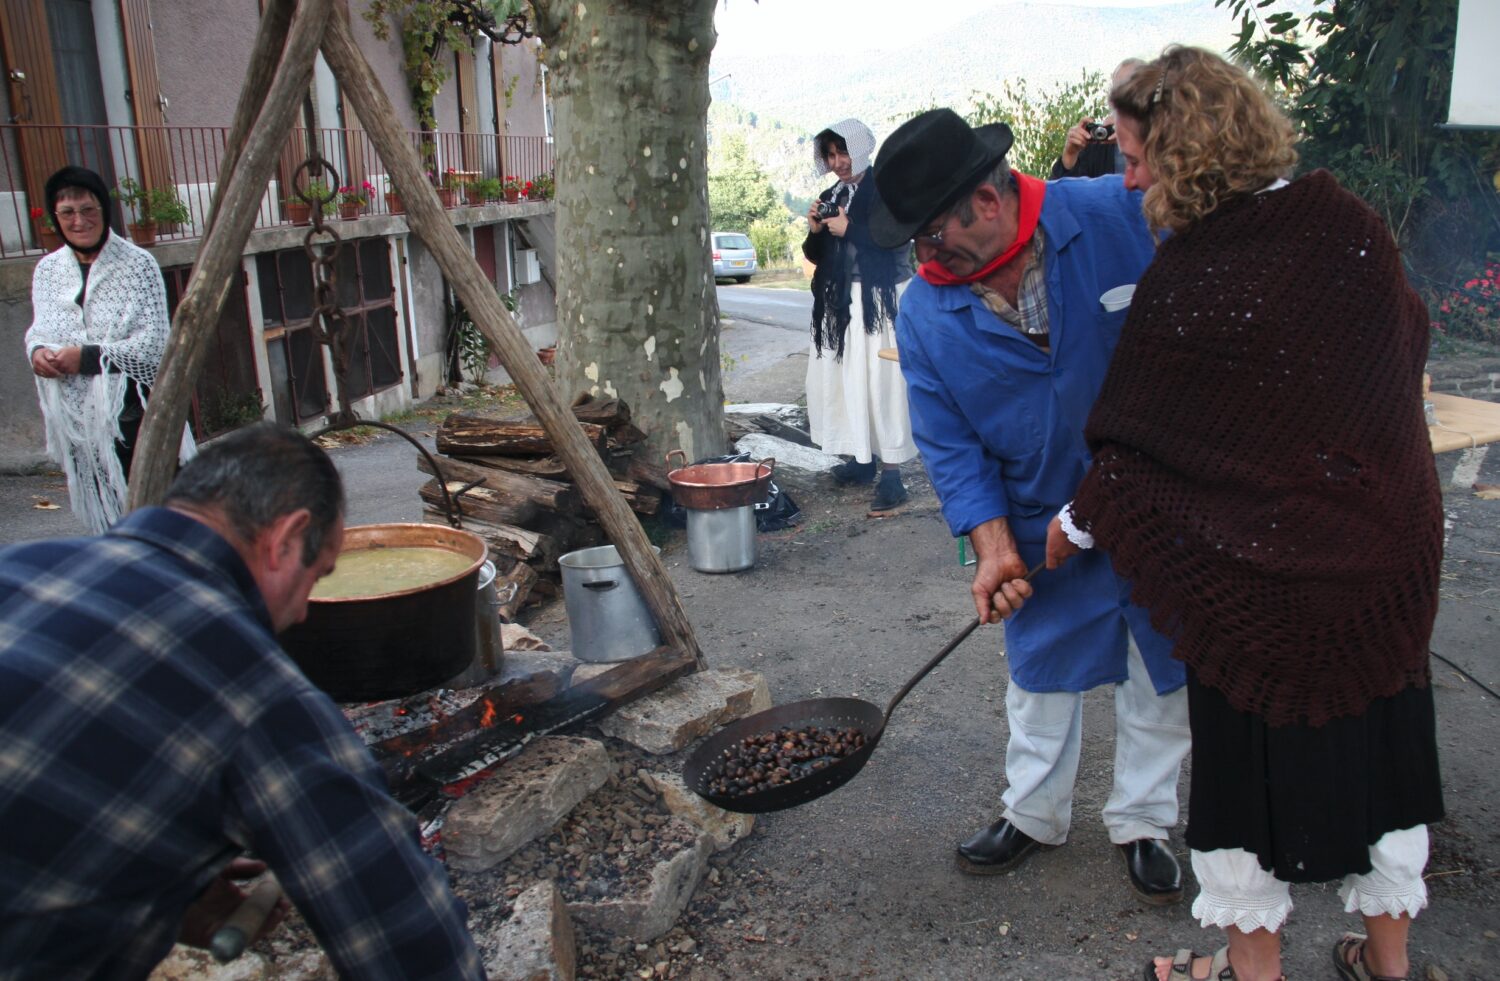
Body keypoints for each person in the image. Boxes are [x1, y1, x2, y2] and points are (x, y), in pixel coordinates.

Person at [1043, 47, 1445, 981]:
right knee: (1386, 770)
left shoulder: (1196, 274)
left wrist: (1074, 525)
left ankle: (1252, 973)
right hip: (1382, 557)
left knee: (1244, 784)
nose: (1128, 174)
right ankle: (1390, 967)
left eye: (1138, 155)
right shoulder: (1351, 226)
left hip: (1255, 586)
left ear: (1185, 150)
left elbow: (1140, 445)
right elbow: (1407, 338)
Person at [0, 423, 484, 979]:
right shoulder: (250, 686)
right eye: (317, 575)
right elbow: (407, 939)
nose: (304, 611)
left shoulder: (18, 567)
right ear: (284, 540)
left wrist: (165, 874)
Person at [865, 108, 1191, 905]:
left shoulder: (1120, 214)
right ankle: (1033, 813)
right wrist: (990, 547)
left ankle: (1144, 820)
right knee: (1038, 675)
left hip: (1157, 502)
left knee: (1163, 671)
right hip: (1038, 517)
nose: (924, 256)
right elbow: (947, 443)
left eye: (933, 234)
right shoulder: (925, 310)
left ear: (986, 199)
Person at [25, 165, 194, 535]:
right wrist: (39, 352)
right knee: (112, 525)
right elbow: (42, 329)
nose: (79, 220)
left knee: (161, 513)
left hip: (136, 415)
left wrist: (84, 358)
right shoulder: (47, 271)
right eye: (67, 213)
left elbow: (152, 347)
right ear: (55, 217)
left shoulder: (138, 265)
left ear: (104, 209)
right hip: (82, 425)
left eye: (88, 209)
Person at [802, 118, 917, 513]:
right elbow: (817, 255)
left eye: (843, 152)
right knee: (847, 381)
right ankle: (860, 459)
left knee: (883, 383)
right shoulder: (832, 193)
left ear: (860, 146)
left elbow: (895, 240)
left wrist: (849, 227)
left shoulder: (888, 189)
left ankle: (892, 474)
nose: (838, 162)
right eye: (831, 155)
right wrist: (816, 229)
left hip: (880, 300)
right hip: (840, 304)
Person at [1050, 59, 1145, 179]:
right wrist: (1070, 156)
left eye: (1129, 90)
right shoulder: (1098, 144)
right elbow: (1059, 194)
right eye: (1116, 91)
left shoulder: (1163, 139)